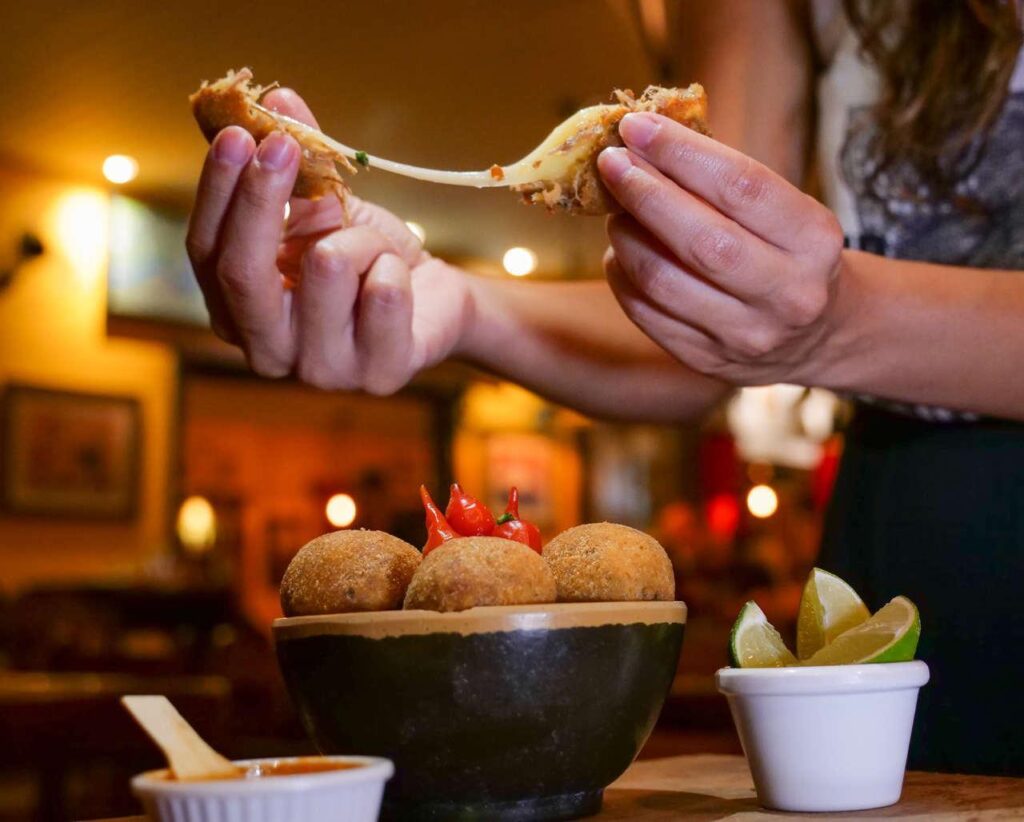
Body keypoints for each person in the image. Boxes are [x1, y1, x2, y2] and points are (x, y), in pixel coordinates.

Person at [185, 1, 1024, 775]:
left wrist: (840, 323)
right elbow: (699, 329)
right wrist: (459, 305)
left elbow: (796, 319)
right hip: (906, 525)